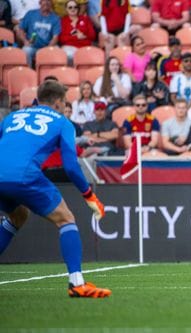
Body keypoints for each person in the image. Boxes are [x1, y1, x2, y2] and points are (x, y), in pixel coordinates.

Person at [0, 80, 110, 297]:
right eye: (65, 101)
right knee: (66, 219)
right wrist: (89, 195)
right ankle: (77, 283)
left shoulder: (11, 117)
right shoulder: (62, 122)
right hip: (25, 176)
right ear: (59, 102)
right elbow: (71, 166)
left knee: (18, 216)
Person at [17, 0, 61, 67]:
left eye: (48, 1)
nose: (46, 3)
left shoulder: (55, 18)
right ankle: (28, 73)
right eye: (44, 1)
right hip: (32, 46)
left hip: (48, 46)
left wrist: (48, 48)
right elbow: (21, 29)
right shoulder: (31, 14)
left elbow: (55, 37)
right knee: (26, 51)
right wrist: (25, 41)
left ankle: (54, 74)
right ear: (40, 3)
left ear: (51, 4)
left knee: (57, 51)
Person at [58, 0, 96, 65]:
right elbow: (61, 39)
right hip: (69, 47)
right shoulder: (63, 21)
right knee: (68, 56)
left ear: (78, 9)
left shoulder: (85, 19)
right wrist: (76, 37)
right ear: (66, 9)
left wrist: (84, 36)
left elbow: (93, 35)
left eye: (75, 7)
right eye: (70, 7)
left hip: (84, 47)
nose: (73, 9)